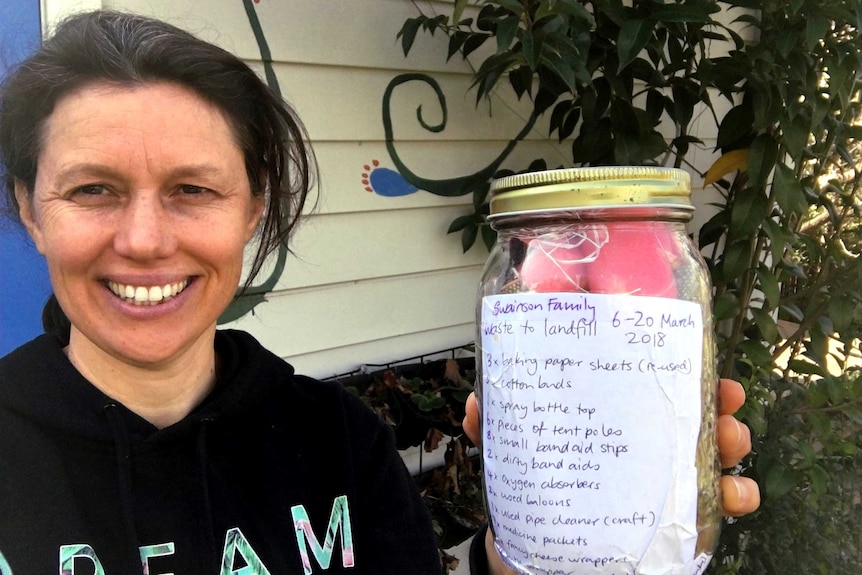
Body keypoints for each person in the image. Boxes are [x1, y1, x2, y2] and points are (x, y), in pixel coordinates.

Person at [0, 10, 758, 575]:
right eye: (93, 189)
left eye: (192, 188)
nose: (143, 239)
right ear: (31, 208)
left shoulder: (339, 444)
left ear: (252, 209)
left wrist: (534, 547)